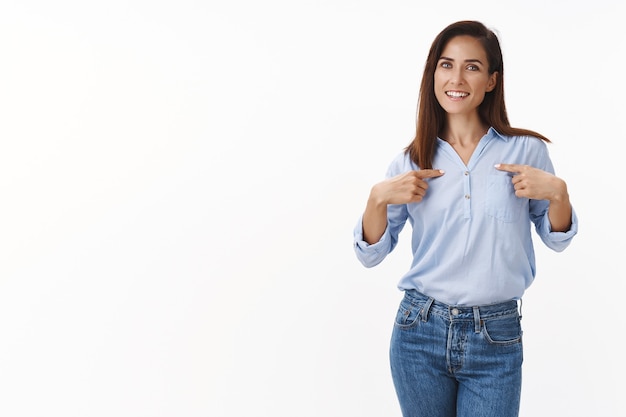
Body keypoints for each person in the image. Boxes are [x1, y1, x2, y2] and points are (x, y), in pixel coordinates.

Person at [352, 20, 578, 417]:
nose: (456, 78)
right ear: (433, 73)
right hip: (418, 330)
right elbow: (371, 254)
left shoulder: (526, 151)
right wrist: (377, 198)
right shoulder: (410, 161)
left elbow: (556, 238)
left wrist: (558, 193)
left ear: (491, 80)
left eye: (472, 67)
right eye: (446, 65)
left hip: (496, 334)